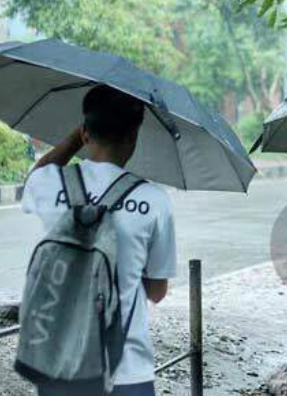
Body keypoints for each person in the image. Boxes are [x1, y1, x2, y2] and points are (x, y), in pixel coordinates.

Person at [21, 85, 177, 396]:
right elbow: (157, 291)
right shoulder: (153, 199)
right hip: (128, 369)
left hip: (58, 364)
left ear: (85, 132)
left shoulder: (49, 183)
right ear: (133, 137)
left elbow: (36, 174)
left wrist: (74, 138)